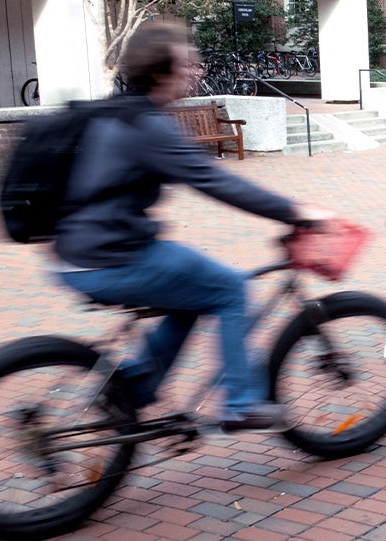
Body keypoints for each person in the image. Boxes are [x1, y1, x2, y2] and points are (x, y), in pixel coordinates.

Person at [52, 22, 329, 433]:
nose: (195, 71)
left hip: (76, 253)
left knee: (191, 297)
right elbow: (217, 181)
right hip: (110, 257)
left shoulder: (118, 112)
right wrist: (296, 211)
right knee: (229, 288)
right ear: (161, 73)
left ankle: (135, 389)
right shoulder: (149, 125)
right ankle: (241, 403)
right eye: (187, 64)